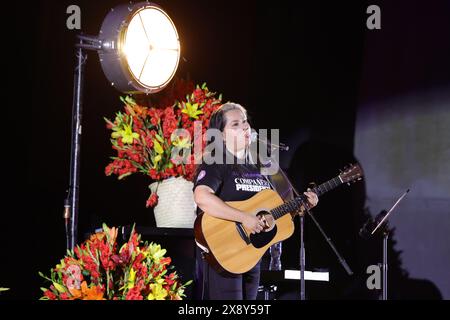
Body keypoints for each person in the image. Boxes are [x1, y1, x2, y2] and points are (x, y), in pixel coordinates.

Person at [193, 102, 318, 300]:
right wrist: (244, 218)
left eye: (244, 122)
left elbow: (271, 213)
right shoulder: (216, 162)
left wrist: (299, 207)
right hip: (225, 252)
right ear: (222, 135)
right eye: (235, 124)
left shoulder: (259, 168)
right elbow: (202, 197)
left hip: (252, 256)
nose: (244, 127)